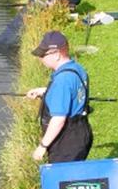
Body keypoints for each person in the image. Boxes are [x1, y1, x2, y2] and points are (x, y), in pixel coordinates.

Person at [27, 31, 93, 163]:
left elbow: (58, 120)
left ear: (56, 54)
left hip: (67, 142)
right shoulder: (76, 68)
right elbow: (71, 92)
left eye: (43, 55)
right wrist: (45, 91)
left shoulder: (62, 81)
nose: (40, 58)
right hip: (81, 132)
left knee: (63, 176)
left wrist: (42, 146)